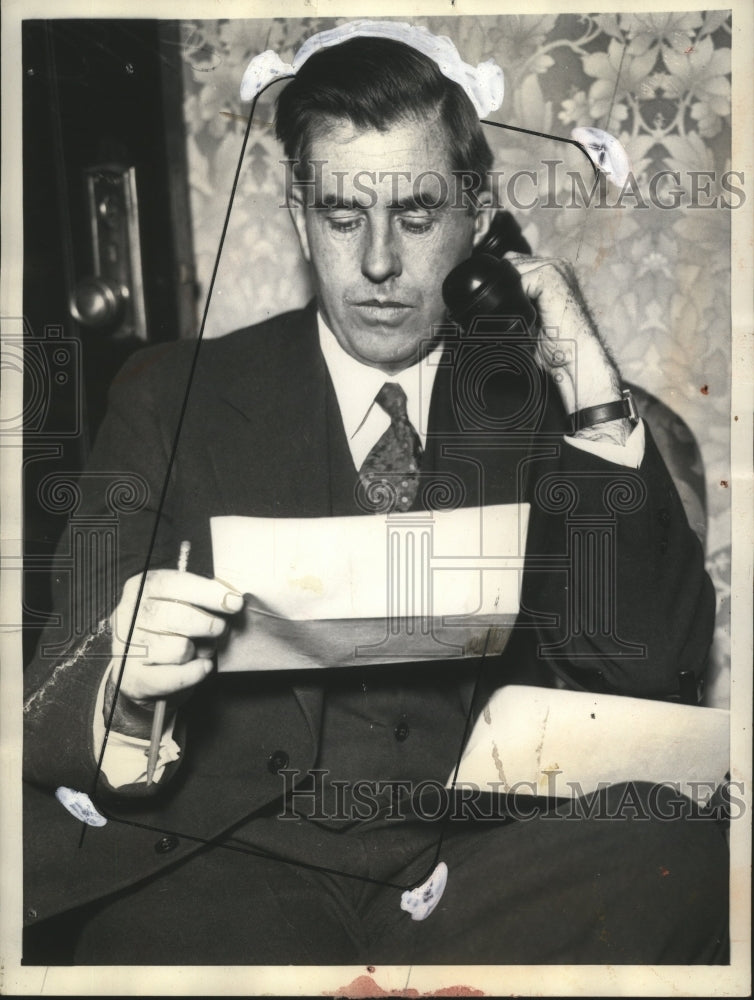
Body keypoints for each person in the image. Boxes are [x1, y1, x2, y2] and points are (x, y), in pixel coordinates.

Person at [22, 21, 728, 965]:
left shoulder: (531, 403)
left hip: (481, 869)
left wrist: (589, 384)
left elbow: (653, 671)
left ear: (478, 217)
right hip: (230, 870)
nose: (381, 264)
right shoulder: (168, 393)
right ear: (299, 215)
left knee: (684, 855)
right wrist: (127, 673)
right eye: (345, 217)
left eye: (419, 215)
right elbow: (60, 675)